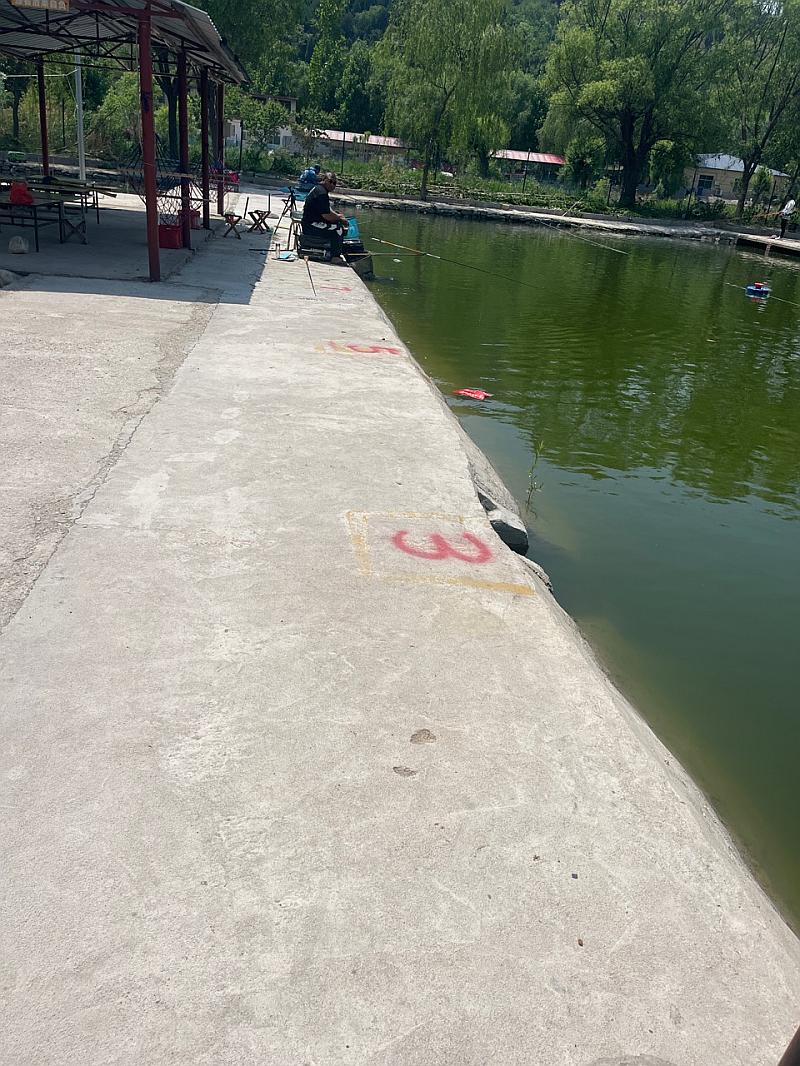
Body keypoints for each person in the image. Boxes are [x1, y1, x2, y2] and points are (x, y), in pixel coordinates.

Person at [301, 171, 350, 264]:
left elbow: (327, 210)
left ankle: (331, 249)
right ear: (324, 180)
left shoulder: (319, 189)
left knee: (336, 222)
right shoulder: (322, 193)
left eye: (334, 183)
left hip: (312, 222)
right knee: (338, 229)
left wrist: (337, 216)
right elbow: (327, 216)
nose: (332, 185)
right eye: (330, 181)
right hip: (311, 225)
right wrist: (340, 219)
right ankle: (335, 256)